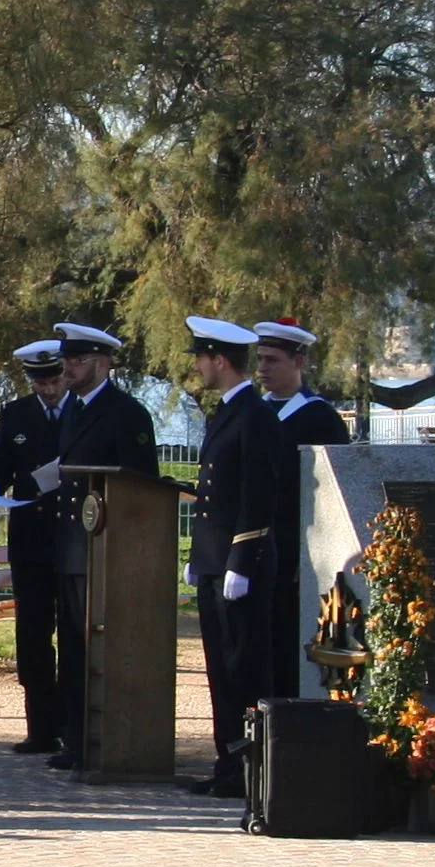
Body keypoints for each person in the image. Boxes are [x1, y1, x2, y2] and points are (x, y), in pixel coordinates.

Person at [34, 323, 162, 773]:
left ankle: (111, 738)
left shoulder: (126, 412)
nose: (66, 367)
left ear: (102, 363)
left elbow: (143, 484)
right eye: (66, 359)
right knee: (72, 645)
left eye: (76, 360)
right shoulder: (71, 410)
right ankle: (76, 738)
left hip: (108, 548)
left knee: (103, 648)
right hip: (72, 545)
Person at [182, 315, 272, 797]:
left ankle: (246, 768)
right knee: (220, 668)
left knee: (241, 669)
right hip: (216, 561)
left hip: (241, 565)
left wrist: (241, 559)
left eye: (200, 358)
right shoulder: (226, 412)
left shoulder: (254, 415)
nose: (197, 366)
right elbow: (212, 494)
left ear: (219, 359)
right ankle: (227, 762)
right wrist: (201, 555)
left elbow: (257, 494)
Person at [247, 318, 352, 722]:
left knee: (287, 643)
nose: (263, 369)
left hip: (295, 550)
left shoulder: (318, 418)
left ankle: (288, 726)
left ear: (298, 360)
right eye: (260, 359)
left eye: (273, 360)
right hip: (252, 545)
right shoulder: (253, 412)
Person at [0, 338, 68, 755]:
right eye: (39, 381)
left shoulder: (82, 412)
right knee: (32, 632)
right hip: (30, 537)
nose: (48, 389)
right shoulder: (16, 414)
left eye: (53, 379)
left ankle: (74, 723)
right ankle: (40, 726)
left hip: (74, 535)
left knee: (73, 630)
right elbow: (0, 467)